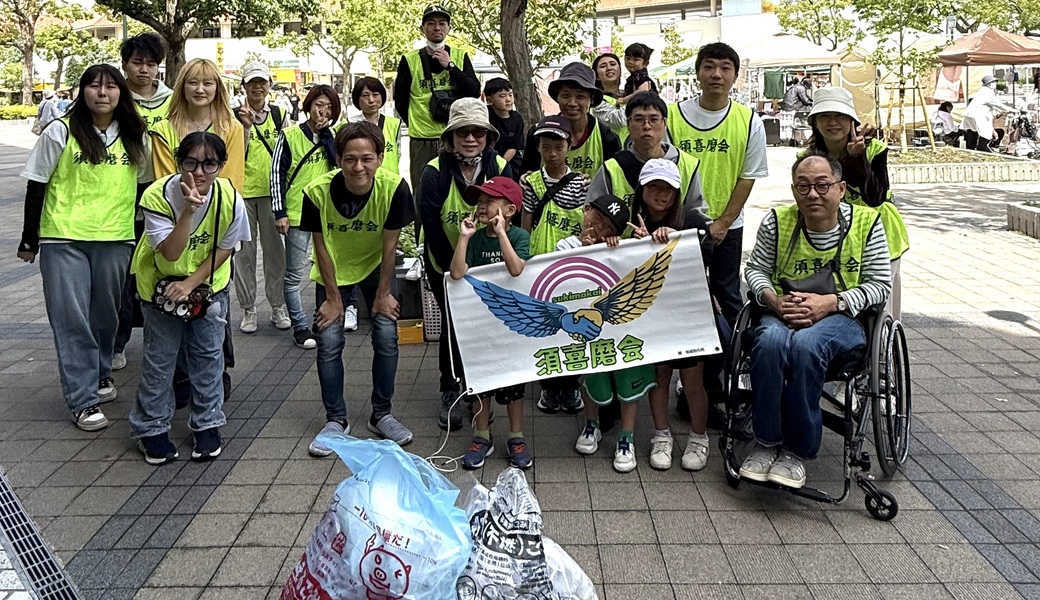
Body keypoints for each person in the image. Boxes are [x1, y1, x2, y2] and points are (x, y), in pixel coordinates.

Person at [741, 154, 890, 488]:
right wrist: (773, 301)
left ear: (840, 189)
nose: (813, 194)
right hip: (783, 309)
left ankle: (797, 451)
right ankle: (766, 442)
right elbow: (755, 270)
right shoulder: (778, 221)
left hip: (843, 315)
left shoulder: (867, 224)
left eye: (823, 185)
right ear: (794, 191)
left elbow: (880, 284)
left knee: (807, 345)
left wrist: (830, 303)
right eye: (804, 186)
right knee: (769, 342)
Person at [18, 64, 151, 432]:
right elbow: (37, 183)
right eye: (94, 86)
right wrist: (29, 239)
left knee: (106, 315)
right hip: (64, 237)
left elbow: (143, 189)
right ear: (82, 92)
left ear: (121, 93)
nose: (102, 93)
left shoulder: (135, 135)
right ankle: (82, 399)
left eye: (110, 87)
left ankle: (101, 373)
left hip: (115, 238)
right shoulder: (60, 130)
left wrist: (143, 239)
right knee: (71, 319)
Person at [129, 132, 249, 464]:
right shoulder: (157, 195)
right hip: (160, 286)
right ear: (178, 162)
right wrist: (187, 211)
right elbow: (169, 252)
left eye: (209, 164)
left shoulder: (229, 196)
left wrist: (192, 283)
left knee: (208, 357)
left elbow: (227, 246)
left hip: (209, 286)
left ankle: (208, 424)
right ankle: (150, 428)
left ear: (221, 166)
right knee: (160, 359)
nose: (199, 172)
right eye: (190, 162)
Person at [302, 122, 415, 457]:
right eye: (350, 159)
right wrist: (334, 299)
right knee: (329, 336)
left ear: (380, 158)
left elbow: (390, 244)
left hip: (376, 266)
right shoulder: (316, 192)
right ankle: (336, 420)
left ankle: (382, 414)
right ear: (339, 158)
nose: (358, 167)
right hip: (334, 269)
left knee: (385, 331)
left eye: (367, 158)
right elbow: (320, 246)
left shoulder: (394, 188)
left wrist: (383, 294)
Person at [420, 97, 511, 431]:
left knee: (488, 323)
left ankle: (484, 387)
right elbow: (430, 223)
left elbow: (511, 215)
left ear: (488, 137)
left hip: (489, 262)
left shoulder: (499, 167)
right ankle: (450, 389)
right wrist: (454, 271)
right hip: (445, 263)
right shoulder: (434, 172)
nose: (471, 139)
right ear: (450, 136)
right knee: (451, 326)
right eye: (463, 132)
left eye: (478, 132)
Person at [666, 42, 769, 327]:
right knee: (679, 293)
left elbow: (748, 176)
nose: (716, 74)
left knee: (727, 293)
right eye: (709, 67)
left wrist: (723, 221)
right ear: (697, 73)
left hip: (728, 226)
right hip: (680, 224)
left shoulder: (749, 121)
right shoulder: (672, 116)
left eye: (725, 68)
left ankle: (732, 360)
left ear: (735, 76)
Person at [628, 159, 714, 471]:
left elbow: (708, 253)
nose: (661, 195)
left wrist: (675, 237)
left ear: (677, 192)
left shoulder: (691, 218)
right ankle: (661, 436)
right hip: (651, 313)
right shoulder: (629, 221)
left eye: (668, 189)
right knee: (659, 377)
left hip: (688, 311)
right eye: (654, 187)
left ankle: (699, 437)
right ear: (642, 189)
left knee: (693, 380)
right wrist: (631, 245)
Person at [568, 194, 658, 473]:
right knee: (590, 373)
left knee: (630, 371)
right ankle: (591, 426)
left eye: (608, 226)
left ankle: (626, 437)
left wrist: (642, 244)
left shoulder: (623, 249)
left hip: (624, 331)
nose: (599, 227)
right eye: (597, 216)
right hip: (587, 330)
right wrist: (582, 251)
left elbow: (647, 269)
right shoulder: (567, 244)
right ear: (586, 210)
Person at [804, 87, 909, 319]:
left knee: (882, 306)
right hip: (831, 237)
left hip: (880, 234)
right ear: (815, 122)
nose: (833, 122)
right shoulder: (809, 159)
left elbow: (875, 197)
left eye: (840, 115)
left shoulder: (874, 150)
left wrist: (858, 160)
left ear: (852, 120)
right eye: (825, 116)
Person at [450, 177, 532, 469]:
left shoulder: (520, 236)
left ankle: (516, 436)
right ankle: (481, 435)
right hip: (481, 322)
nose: (481, 206)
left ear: (509, 210)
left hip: (511, 323)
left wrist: (501, 235)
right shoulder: (475, 237)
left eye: (489, 201)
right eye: (480, 200)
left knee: (513, 383)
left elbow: (516, 268)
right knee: (481, 381)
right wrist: (464, 237)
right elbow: (457, 273)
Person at [520, 116, 591, 415]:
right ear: (537, 147)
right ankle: (549, 387)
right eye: (545, 146)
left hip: (571, 268)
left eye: (558, 146)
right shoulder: (530, 182)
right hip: (539, 267)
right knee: (546, 326)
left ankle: (572, 385)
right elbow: (524, 225)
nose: (552, 152)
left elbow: (587, 226)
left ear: (569, 146)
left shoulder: (583, 184)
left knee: (574, 325)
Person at [394, 3, 481, 231]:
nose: (436, 28)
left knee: (458, 192)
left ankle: (461, 237)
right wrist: (417, 122)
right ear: (423, 28)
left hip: (456, 139)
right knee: (423, 195)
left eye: (442, 23)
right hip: (422, 140)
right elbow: (401, 100)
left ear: (449, 28)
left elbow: (473, 90)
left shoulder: (460, 57)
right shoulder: (410, 59)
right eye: (431, 23)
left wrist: (449, 65)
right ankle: (424, 245)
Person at [271, 85, 341, 349]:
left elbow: (339, 164)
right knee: (294, 274)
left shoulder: (332, 137)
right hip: (297, 213)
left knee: (326, 270)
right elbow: (276, 174)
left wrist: (327, 137)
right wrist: (280, 212)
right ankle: (300, 326)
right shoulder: (289, 135)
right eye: (319, 105)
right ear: (308, 105)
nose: (323, 111)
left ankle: (321, 320)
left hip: (326, 215)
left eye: (329, 107)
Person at [234, 61, 291, 335]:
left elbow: (288, 154)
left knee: (275, 254)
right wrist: (245, 127)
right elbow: (231, 155)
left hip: (272, 195)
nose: (257, 86)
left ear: (269, 84)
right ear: (243, 86)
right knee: (244, 255)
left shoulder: (280, 115)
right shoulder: (233, 116)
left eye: (262, 81)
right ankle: (248, 309)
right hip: (242, 195)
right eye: (251, 82)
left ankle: (278, 306)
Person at [588, 92, 704, 213]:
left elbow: (697, 215)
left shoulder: (687, 165)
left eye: (654, 119)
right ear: (628, 124)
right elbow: (594, 214)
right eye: (639, 119)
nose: (646, 126)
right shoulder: (612, 169)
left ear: (665, 123)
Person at [150, 59, 244, 191]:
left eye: (208, 83)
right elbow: (166, 184)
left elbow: (231, 183)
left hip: (220, 208)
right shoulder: (162, 130)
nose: (200, 90)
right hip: (175, 207)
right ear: (183, 88)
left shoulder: (232, 129)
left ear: (217, 89)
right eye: (193, 83)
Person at [519, 62, 621, 178]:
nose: (572, 103)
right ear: (557, 97)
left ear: (591, 99)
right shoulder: (538, 133)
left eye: (580, 97)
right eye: (566, 96)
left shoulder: (607, 138)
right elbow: (527, 175)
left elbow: (613, 182)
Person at [349, 77, 402, 175]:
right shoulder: (349, 124)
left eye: (375, 95)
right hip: (361, 179)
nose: (371, 100)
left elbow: (398, 154)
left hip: (389, 181)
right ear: (357, 99)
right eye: (365, 95)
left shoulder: (394, 124)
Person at [120, 33, 173, 128]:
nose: (144, 70)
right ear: (124, 65)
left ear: (157, 67)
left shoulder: (173, 100)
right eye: (137, 63)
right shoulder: (116, 98)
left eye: (151, 64)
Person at [962, 75, 1015, 152]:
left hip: (972, 116)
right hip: (977, 116)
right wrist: (1010, 109)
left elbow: (993, 106)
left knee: (976, 135)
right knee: (985, 135)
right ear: (989, 83)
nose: (995, 83)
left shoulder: (982, 91)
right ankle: (981, 150)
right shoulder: (987, 92)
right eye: (994, 82)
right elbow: (997, 104)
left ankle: (979, 151)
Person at [484, 77, 525, 178]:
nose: (508, 100)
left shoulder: (517, 119)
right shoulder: (485, 115)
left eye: (510, 95)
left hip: (511, 163)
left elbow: (514, 147)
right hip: (487, 161)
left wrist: (500, 164)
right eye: (502, 96)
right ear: (490, 100)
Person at [591, 53, 629, 143]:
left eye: (613, 64)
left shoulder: (628, 94)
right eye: (603, 66)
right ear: (597, 77)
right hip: (615, 153)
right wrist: (638, 96)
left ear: (620, 70)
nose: (609, 68)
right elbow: (618, 120)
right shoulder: (597, 101)